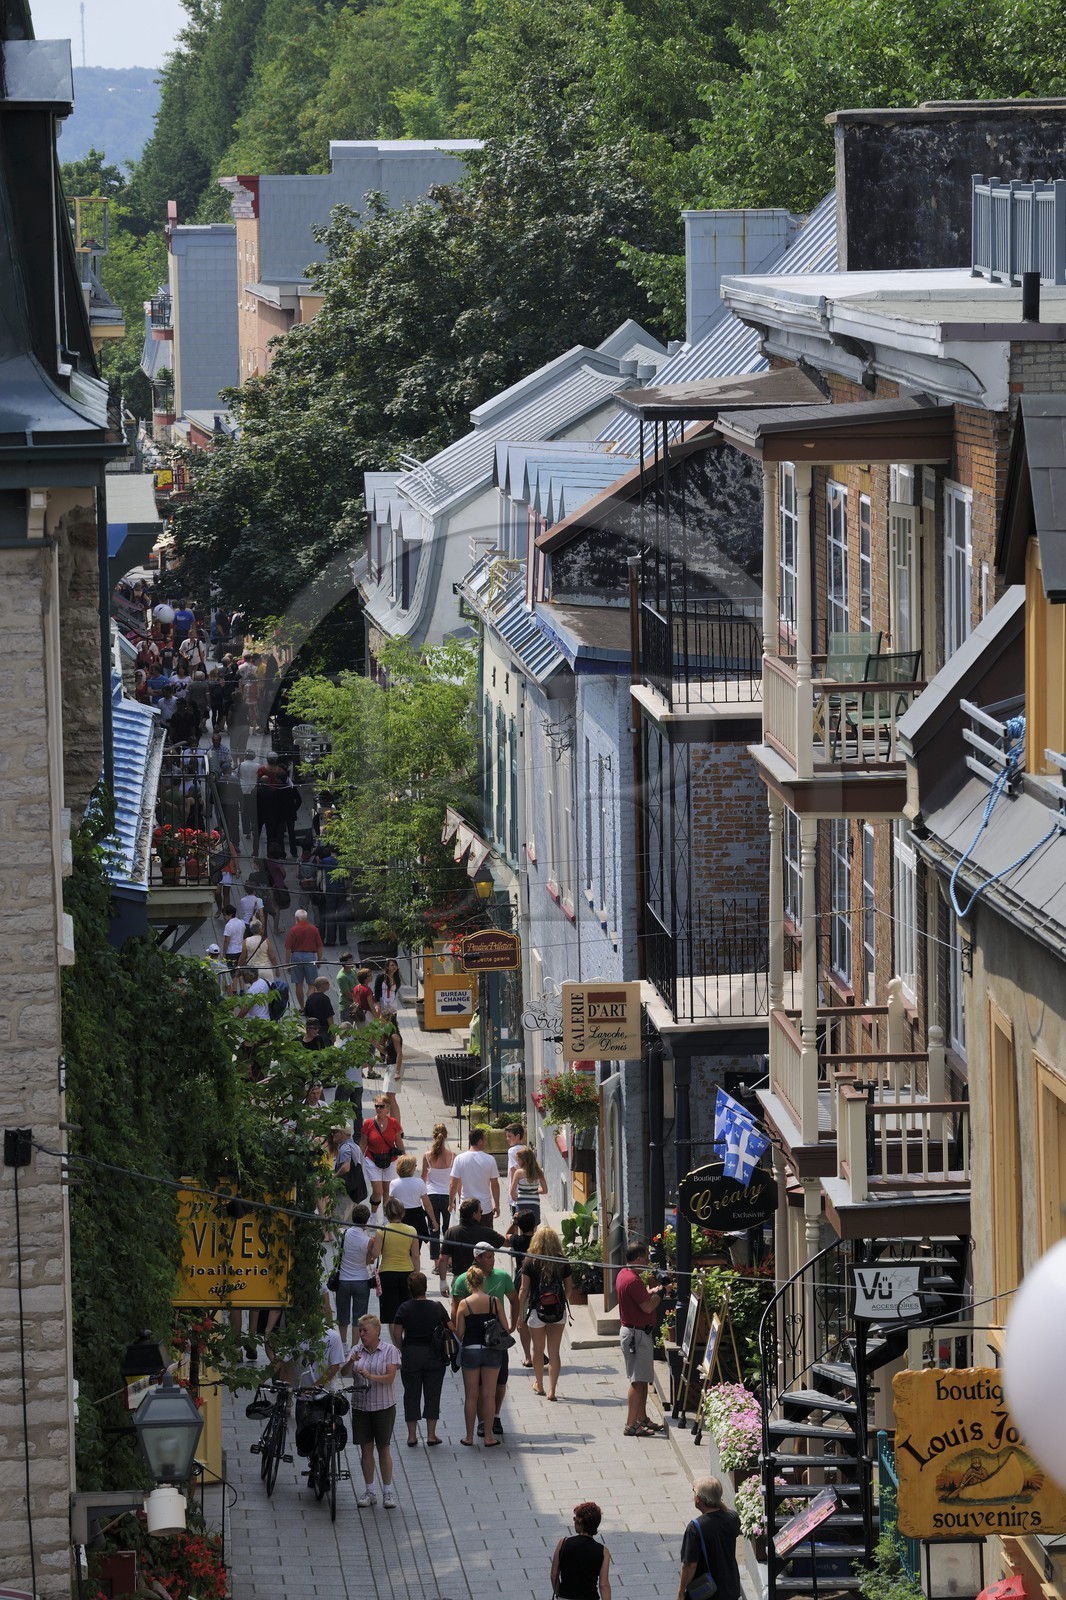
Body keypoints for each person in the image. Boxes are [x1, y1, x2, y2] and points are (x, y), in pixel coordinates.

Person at [451, 1242, 519, 1438]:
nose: (492, 1260)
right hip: (488, 1347)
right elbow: (455, 1310)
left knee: (498, 1384)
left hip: (492, 1343)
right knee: (482, 1389)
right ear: (478, 1258)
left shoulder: (503, 1276)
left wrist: (514, 1324)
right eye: (488, 1257)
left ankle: (491, 1419)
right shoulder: (462, 1281)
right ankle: (485, 1424)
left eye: (493, 1257)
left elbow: (514, 1300)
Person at [341, 1314, 401, 1509]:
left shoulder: (389, 1351)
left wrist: (371, 1376)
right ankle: (370, 1491)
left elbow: (390, 1378)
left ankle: (387, 1491)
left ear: (377, 1331)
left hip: (383, 1406)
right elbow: (344, 1373)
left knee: (384, 1448)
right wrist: (351, 1362)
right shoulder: (356, 1350)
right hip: (361, 1406)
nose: (362, 1334)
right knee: (366, 1449)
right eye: (360, 1330)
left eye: (365, 1330)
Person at [391, 1271, 450, 1447]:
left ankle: (411, 1436)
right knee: (432, 1394)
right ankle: (431, 1435)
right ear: (425, 1287)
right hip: (434, 1356)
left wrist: (402, 1349)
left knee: (411, 1394)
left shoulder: (404, 1308)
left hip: (411, 1355)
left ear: (410, 1289)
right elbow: (451, 1327)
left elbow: (396, 1332)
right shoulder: (437, 1307)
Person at [615, 1241, 667, 1437]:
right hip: (636, 1335)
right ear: (638, 1259)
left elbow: (639, 1299)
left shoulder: (624, 1274)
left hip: (635, 1332)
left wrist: (651, 1292)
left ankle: (642, 1418)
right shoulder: (634, 1281)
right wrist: (661, 1294)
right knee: (637, 1381)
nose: (648, 1261)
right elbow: (647, 1307)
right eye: (646, 1257)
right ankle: (631, 1425)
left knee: (643, 1378)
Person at [518, 1223, 571, 1401]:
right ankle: (552, 1391)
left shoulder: (529, 1260)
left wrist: (520, 1315)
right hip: (557, 1310)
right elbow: (569, 1289)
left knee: (538, 1349)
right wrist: (561, 1302)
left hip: (536, 1310)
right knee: (554, 1352)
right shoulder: (562, 1260)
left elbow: (523, 1290)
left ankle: (539, 1385)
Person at [454, 1265, 504, 1448]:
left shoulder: (464, 1304)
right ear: (483, 1281)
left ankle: (468, 1436)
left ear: (468, 1283)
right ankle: (489, 1437)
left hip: (471, 1350)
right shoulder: (494, 1301)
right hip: (491, 1350)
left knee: (471, 1396)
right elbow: (505, 1326)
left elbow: (460, 1332)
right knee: (489, 1395)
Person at [677, 1479, 742, 1600]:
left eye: (694, 1492)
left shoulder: (695, 1527)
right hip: (730, 1587)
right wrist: (718, 1501)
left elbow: (690, 1565)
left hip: (707, 1592)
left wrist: (681, 1592)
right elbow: (728, 1513)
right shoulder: (733, 1518)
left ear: (698, 1499)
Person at [334, 1203, 380, 1346]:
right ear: (366, 1221)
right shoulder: (368, 1241)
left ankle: (343, 1343)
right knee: (358, 1317)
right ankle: (355, 1346)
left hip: (343, 1280)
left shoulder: (343, 1233)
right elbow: (367, 1261)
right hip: (361, 1280)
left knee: (342, 1314)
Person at [551, 1502, 613, 1600]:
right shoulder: (603, 1551)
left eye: (574, 1518)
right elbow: (603, 1585)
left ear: (580, 1521)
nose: (574, 1521)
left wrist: (559, 1594)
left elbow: (554, 1575)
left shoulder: (563, 1543)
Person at [437, 1197, 505, 1285]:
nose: (481, 1214)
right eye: (480, 1212)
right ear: (474, 1214)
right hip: (480, 1281)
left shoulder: (451, 1232)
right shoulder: (485, 1232)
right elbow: (506, 1242)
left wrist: (442, 1282)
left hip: (459, 1280)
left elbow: (443, 1259)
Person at [375, 1196, 420, 1325]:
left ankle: (396, 1343)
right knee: (407, 1309)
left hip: (387, 1273)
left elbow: (375, 1254)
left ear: (386, 1213)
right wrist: (416, 1274)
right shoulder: (411, 1230)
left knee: (391, 1315)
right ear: (403, 1213)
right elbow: (415, 1256)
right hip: (407, 1272)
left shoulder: (382, 1230)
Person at [421, 1123, 455, 1294]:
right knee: (448, 1231)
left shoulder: (427, 1156)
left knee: (433, 1229)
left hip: (432, 1196)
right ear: (446, 1136)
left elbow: (423, 1178)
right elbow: (453, 1180)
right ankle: (448, 1262)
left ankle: (436, 1264)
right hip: (447, 1196)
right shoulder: (452, 1156)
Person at [506, 1209, 539, 1366]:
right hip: (540, 1283)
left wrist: (514, 1223)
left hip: (523, 1285)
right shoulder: (540, 1241)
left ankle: (528, 1356)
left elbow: (505, 1237)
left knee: (523, 1320)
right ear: (534, 1225)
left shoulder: (517, 1241)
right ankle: (539, 1351)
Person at [360, 1096, 404, 1210]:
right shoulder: (368, 1123)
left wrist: (405, 1158)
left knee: (387, 1191)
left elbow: (399, 1142)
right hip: (372, 1160)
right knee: (378, 1191)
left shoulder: (394, 1123)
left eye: (381, 1106)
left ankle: (385, 1218)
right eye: (376, 1106)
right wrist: (358, 1161)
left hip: (390, 1159)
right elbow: (363, 1144)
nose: (378, 1109)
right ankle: (373, 1215)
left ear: (388, 1109)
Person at [449, 1126, 501, 1221]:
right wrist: (497, 1204)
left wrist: (450, 1202)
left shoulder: (459, 1159)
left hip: (466, 1207)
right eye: (485, 1140)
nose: (486, 1143)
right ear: (480, 1141)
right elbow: (495, 1185)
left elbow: (453, 1184)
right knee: (485, 1235)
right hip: (484, 1207)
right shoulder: (490, 1160)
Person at [389, 1153, 434, 1245]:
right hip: (417, 1216)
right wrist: (433, 1220)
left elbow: (391, 1204)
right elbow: (427, 1204)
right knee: (416, 1246)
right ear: (411, 1168)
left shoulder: (393, 1183)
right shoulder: (419, 1182)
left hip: (400, 1216)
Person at [284, 909, 324, 1007]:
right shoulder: (314, 929)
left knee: (298, 984)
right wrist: (319, 960)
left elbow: (288, 948)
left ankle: (302, 1007)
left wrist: (287, 963)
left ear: (296, 918)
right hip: (310, 956)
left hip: (296, 957)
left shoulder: (293, 930)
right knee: (312, 984)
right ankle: (309, 1005)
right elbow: (320, 946)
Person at [509, 1145, 548, 1222]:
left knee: (523, 1227)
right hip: (534, 1204)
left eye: (518, 1160)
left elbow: (512, 1192)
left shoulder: (518, 1173)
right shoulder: (539, 1172)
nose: (518, 1162)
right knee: (533, 1228)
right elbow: (545, 1190)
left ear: (524, 1160)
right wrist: (535, 1190)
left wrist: (516, 1197)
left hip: (521, 1204)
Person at [304, 975, 336, 1044]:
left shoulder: (310, 998)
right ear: (322, 985)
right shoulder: (325, 999)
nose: (329, 984)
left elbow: (307, 1015)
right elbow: (329, 1017)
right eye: (327, 983)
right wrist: (333, 1033)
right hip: (324, 1030)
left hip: (312, 1030)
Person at [221, 903, 246, 990]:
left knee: (233, 973)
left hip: (231, 952)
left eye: (224, 915)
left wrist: (224, 953)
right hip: (241, 950)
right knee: (240, 972)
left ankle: (234, 991)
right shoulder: (241, 922)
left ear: (230, 914)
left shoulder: (228, 926)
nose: (224, 917)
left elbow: (226, 941)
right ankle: (242, 990)